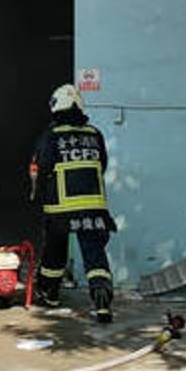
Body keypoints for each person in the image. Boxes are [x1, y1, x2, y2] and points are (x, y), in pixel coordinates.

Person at [30, 84, 115, 323]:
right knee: (95, 254)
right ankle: (102, 301)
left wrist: (38, 192)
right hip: (94, 208)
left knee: (55, 252)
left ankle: (49, 293)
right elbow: (102, 165)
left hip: (61, 208)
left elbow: (40, 168)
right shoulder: (95, 134)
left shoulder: (52, 136)